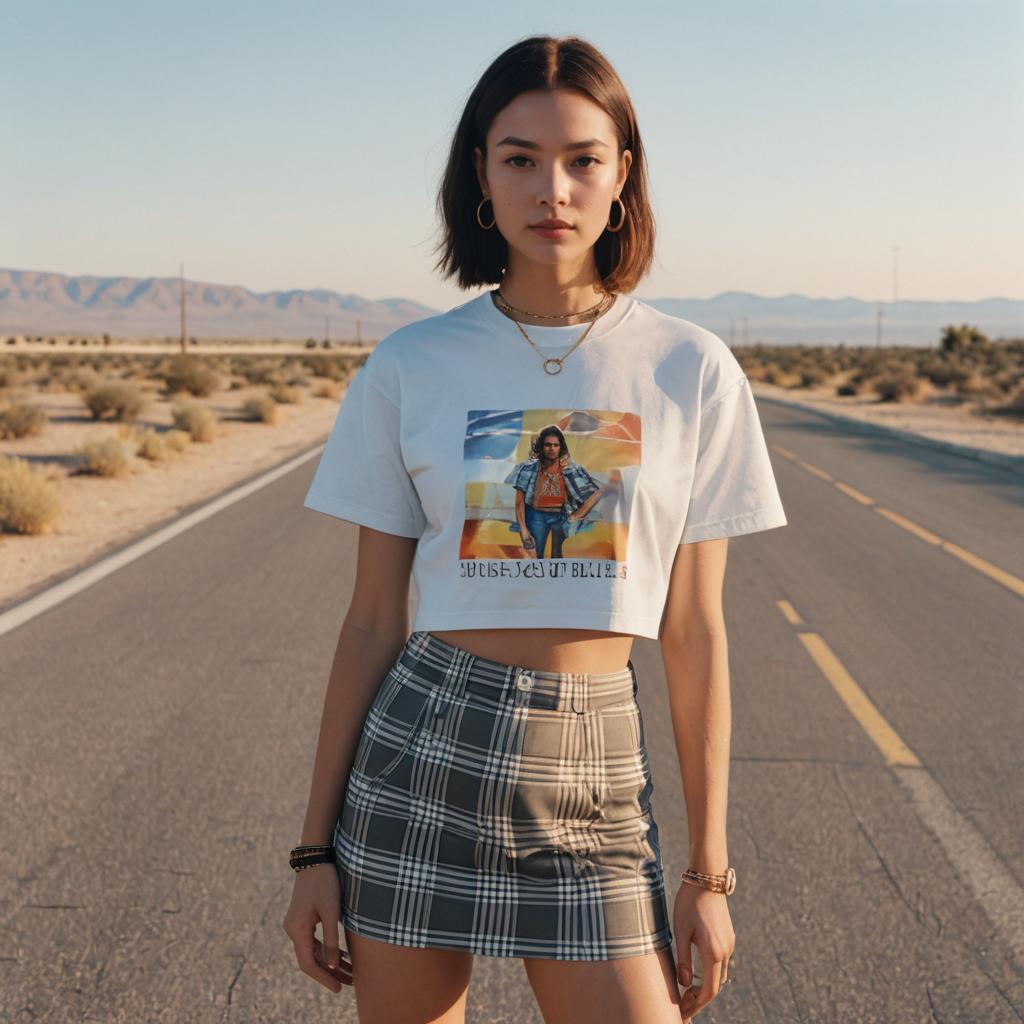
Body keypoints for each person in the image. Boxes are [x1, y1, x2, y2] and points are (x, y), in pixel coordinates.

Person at [283, 33, 787, 1024]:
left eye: (580, 159)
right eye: (518, 157)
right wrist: (312, 852)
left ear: (621, 175)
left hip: (593, 763)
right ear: (480, 172)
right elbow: (371, 622)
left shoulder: (689, 369)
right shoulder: (411, 365)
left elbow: (693, 634)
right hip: (421, 747)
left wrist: (709, 874)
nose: (550, 187)